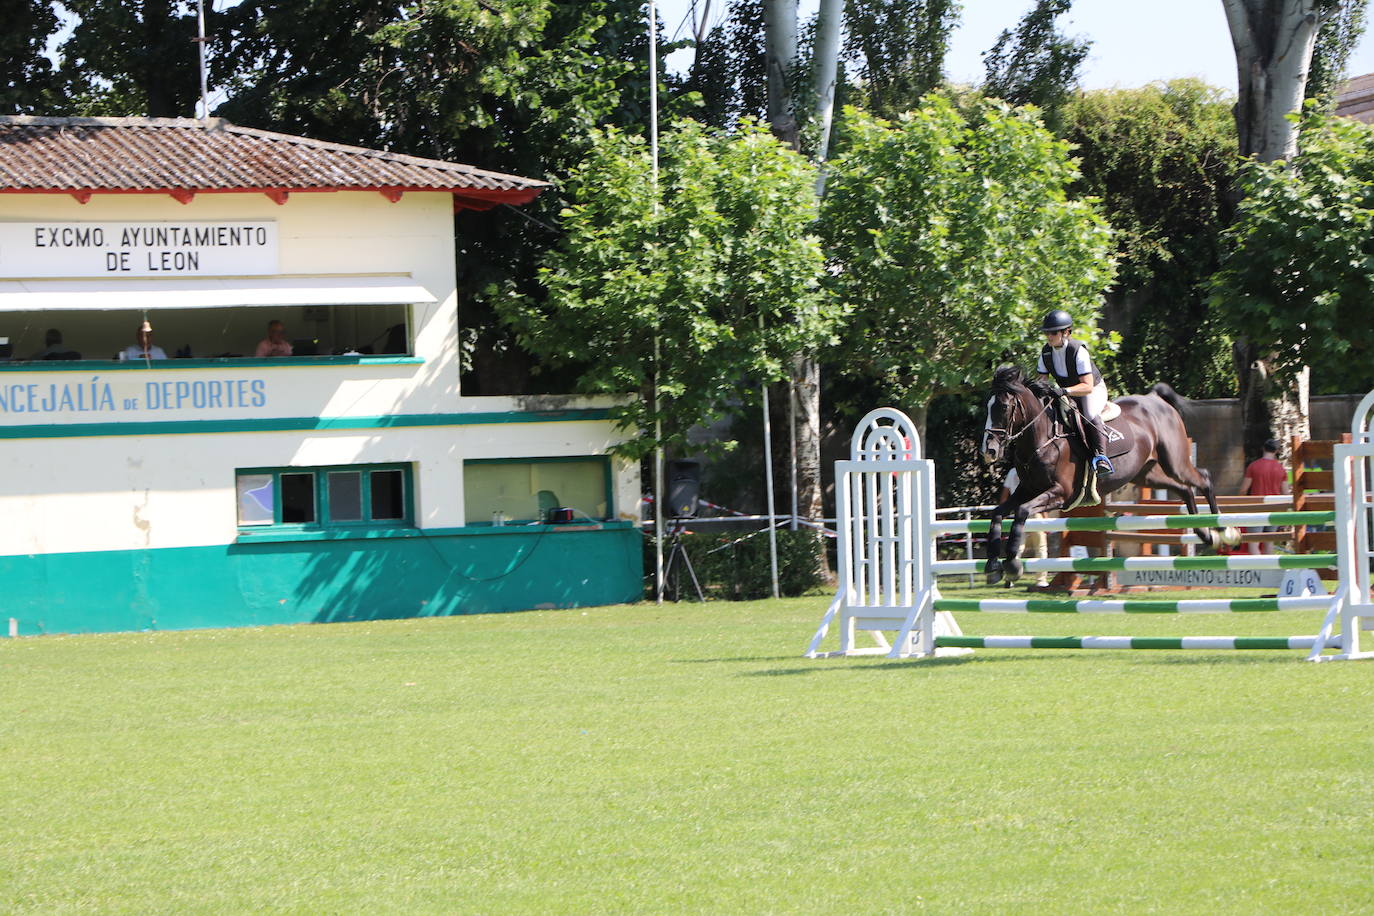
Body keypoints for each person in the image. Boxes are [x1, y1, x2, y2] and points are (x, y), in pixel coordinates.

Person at [1037, 309, 1113, 476]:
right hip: (1067, 392)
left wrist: (1064, 390)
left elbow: (1087, 386)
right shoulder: (1046, 352)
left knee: (1090, 414)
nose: (1049, 336)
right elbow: (1041, 381)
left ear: (1066, 332)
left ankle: (1102, 458)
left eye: (1053, 332)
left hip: (1091, 390)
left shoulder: (1078, 351)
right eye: (1047, 333)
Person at [999, 467, 1050, 589]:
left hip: (1018, 514)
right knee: (1041, 548)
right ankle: (1041, 579)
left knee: (1016, 548)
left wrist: (1003, 511)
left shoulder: (1012, 472)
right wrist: (1045, 517)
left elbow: (1004, 495)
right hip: (1034, 513)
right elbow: (1041, 497)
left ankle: (1011, 577)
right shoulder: (1035, 471)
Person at [1241, 437, 1290, 555]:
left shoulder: (1253, 466)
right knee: (1269, 542)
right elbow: (1286, 494)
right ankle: (1268, 568)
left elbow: (1243, 489)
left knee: (1253, 541)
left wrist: (1242, 505)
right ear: (1277, 451)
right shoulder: (1281, 469)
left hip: (1256, 508)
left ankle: (1257, 569)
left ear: (1263, 448)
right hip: (1274, 509)